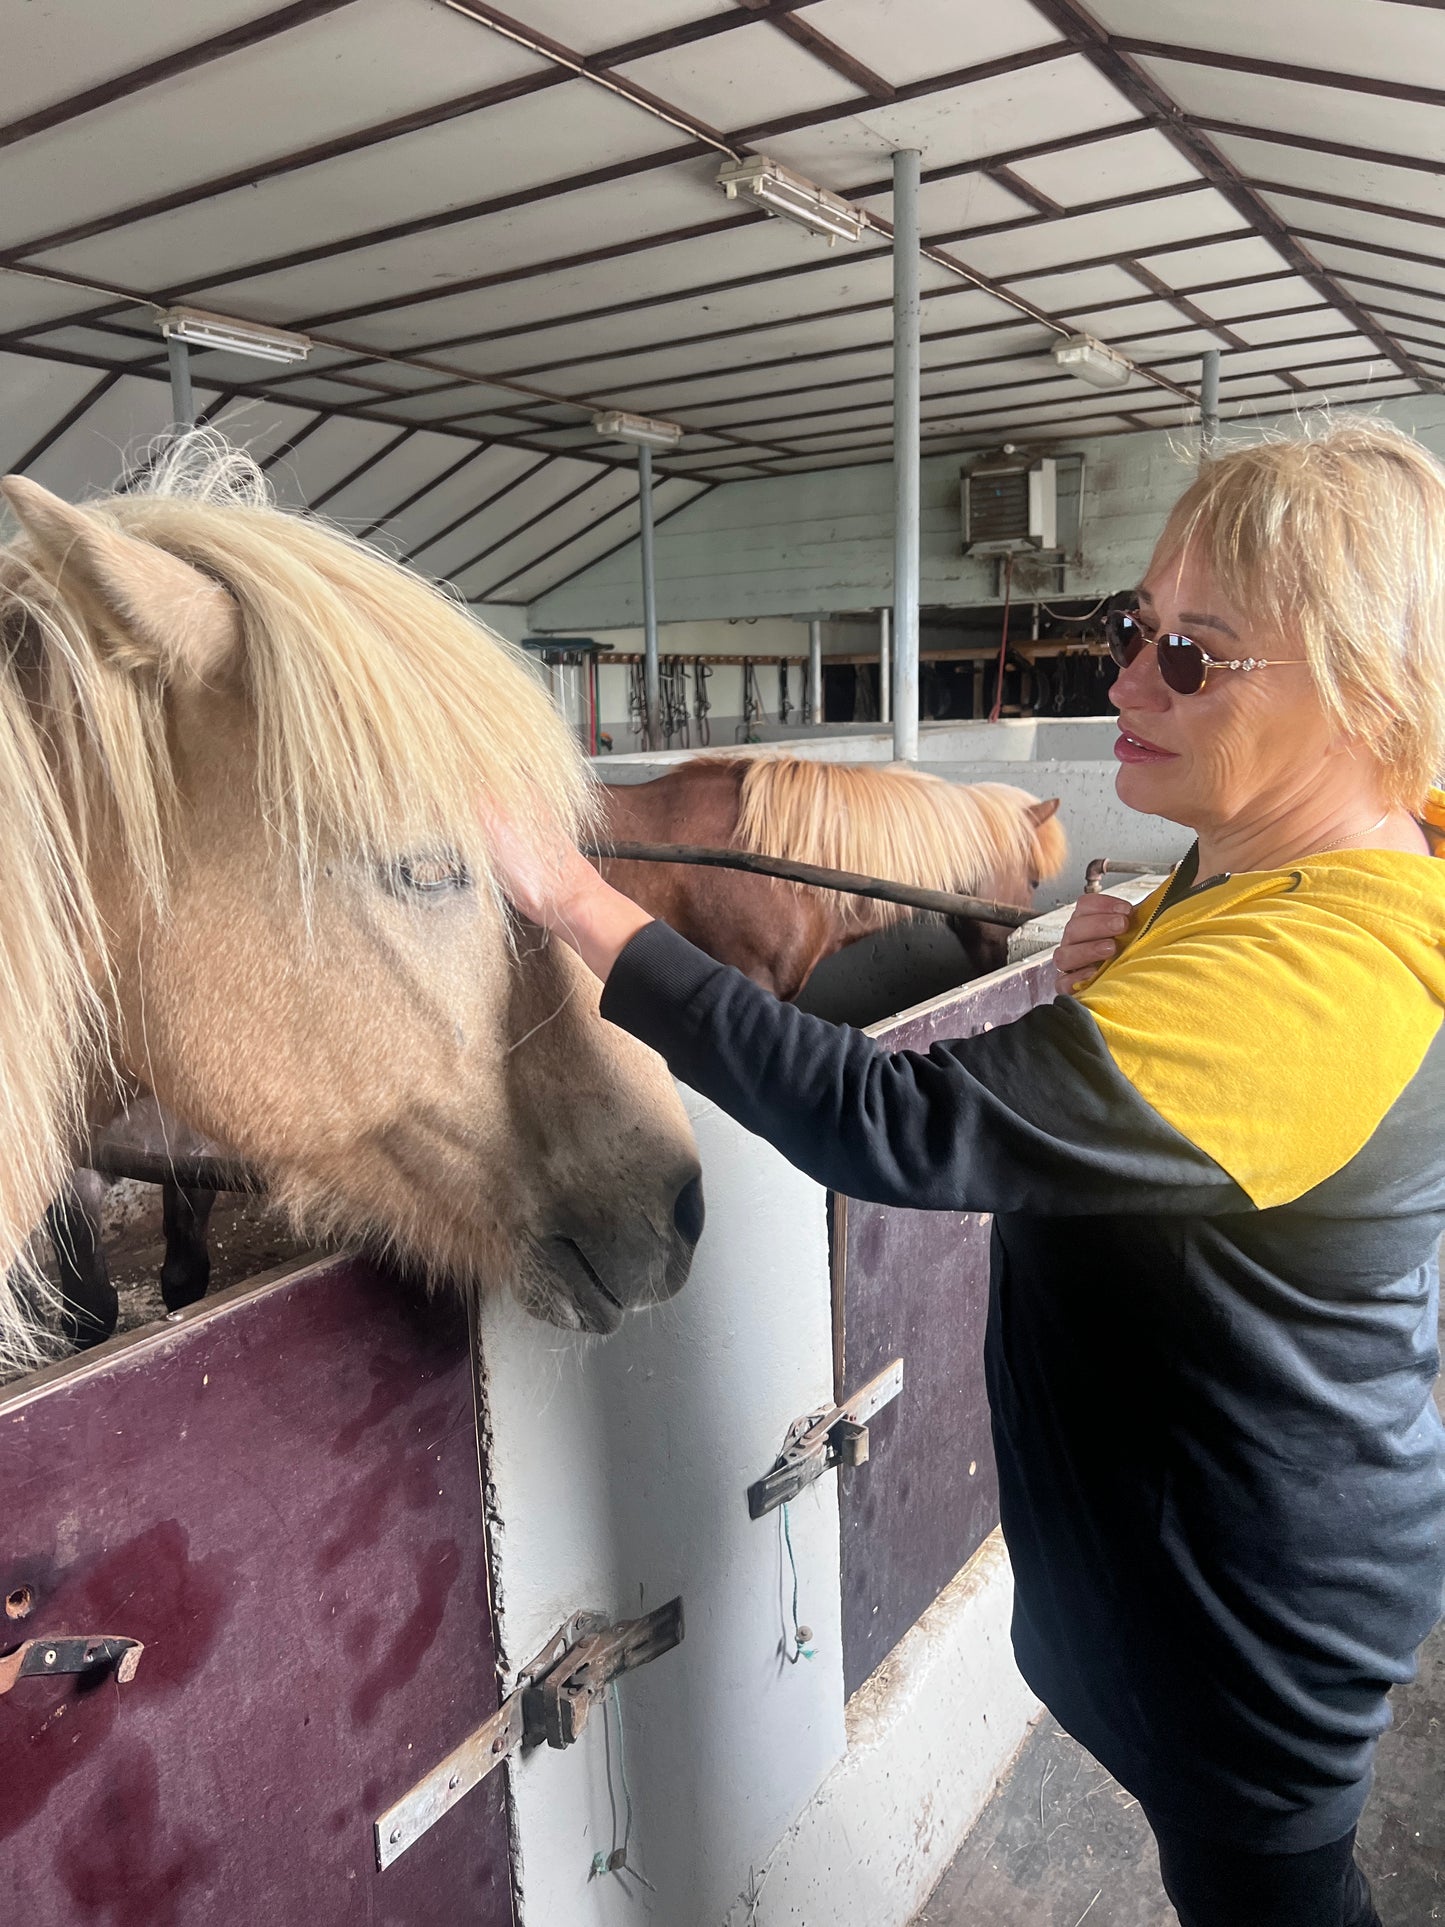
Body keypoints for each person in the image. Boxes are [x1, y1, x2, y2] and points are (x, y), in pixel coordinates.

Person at [491, 417, 1445, 1927]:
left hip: (1249, 1614)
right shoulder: (1277, 860)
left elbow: (896, 1127)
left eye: (1191, 658)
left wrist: (566, 894)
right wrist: (1119, 980)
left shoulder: (1327, 969)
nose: (1121, 681)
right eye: (1134, 628)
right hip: (1193, 1570)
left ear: (1353, 692)